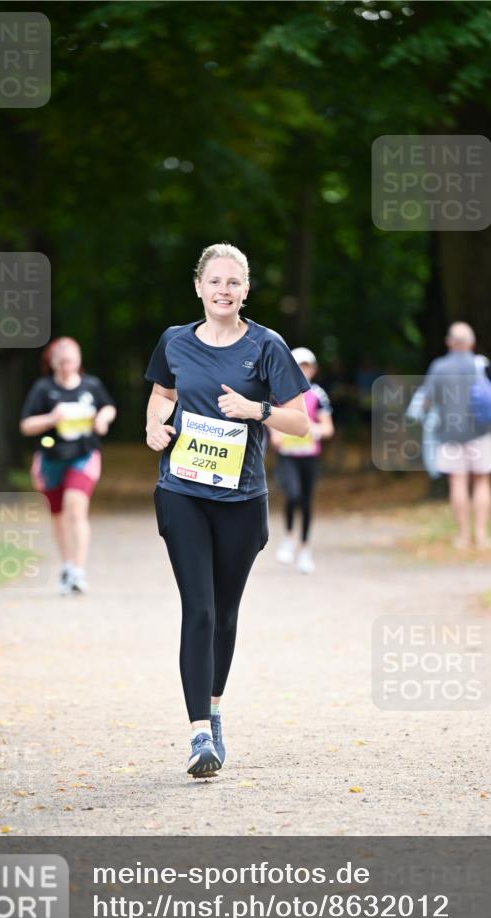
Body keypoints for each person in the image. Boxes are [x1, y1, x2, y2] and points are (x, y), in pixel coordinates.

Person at [144, 242, 310, 778]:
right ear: (198, 287)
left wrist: (255, 409)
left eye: (233, 282)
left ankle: (213, 710)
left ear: (246, 290)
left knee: (225, 613)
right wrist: (153, 426)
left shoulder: (267, 345)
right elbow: (162, 394)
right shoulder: (174, 340)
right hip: (182, 491)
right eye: (214, 281)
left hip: (241, 499)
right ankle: (198, 736)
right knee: (199, 609)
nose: (223, 290)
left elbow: (300, 421)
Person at [20, 337, 117, 594]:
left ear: (79, 361)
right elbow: (26, 425)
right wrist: (51, 418)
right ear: (53, 363)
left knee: (75, 508)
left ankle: (78, 571)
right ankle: (67, 565)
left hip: (83, 455)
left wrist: (102, 419)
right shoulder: (43, 389)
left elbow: (109, 407)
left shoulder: (91, 386)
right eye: (62, 362)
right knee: (58, 515)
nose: (67, 367)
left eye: (71, 361)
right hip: (51, 458)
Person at [421, 321, 491, 549]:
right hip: (481, 432)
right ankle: (482, 536)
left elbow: (427, 402)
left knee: (457, 481)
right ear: (472, 343)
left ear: (449, 342)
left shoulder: (438, 367)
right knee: (482, 481)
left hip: (449, 433)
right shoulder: (481, 364)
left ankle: (463, 536)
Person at [270, 347, 335, 574]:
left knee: (306, 502)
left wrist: (312, 429)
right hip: (287, 456)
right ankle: (288, 538)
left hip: (309, 456)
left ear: (313, 370)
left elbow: (328, 428)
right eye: (298, 366)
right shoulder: (279, 392)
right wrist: (276, 435)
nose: (302, 371)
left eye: (306, 367)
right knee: (292, 494)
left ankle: (305, 549)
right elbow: (271, 419)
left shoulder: (318, 395)